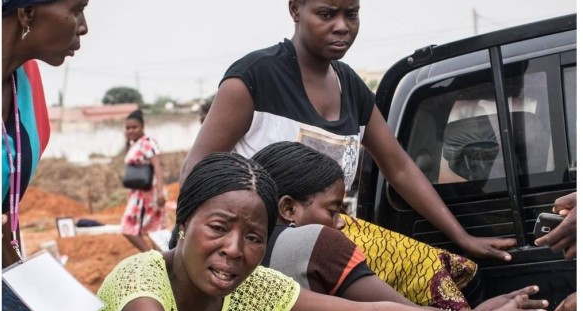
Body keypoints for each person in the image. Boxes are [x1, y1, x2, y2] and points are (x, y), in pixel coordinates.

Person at [86, 152, 547, 311]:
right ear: (184, 223)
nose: (234, 250)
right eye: (219, 228)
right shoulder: (141, 281)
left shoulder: (256, 290)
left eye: (253, 237)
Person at [179, 0, 517, 263]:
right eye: (326, 14)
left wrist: (461, 237)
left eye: (351, 14)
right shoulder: (255, 79)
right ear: (296, 9)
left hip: (322, 244)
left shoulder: (351, 87)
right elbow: (196, 170)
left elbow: (398, 167)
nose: (342, 27)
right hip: (257, 252)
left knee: (446, 275)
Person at [252, 141, 546, 311]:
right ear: (289, 207)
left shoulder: (245, 259)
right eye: (333, 210)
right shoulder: (316, 243)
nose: (342, 222)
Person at [2, 0, 89, 268]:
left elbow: (5, 213)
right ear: (26, 12)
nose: (83, 27)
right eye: (76, 10)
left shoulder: (26, 86)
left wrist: (21, 291)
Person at [120, 109, 166, 252]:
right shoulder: (135, 144)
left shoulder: (147, 142)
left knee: (128, 228)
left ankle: (151, 258)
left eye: (134, 127)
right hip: (137, 194)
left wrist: (160, 192)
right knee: (152, 231)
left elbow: (157, 166)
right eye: (128, 128)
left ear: (142, 127)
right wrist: (127, 141)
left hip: (146, 194)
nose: (131, 130)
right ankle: (160, 260)